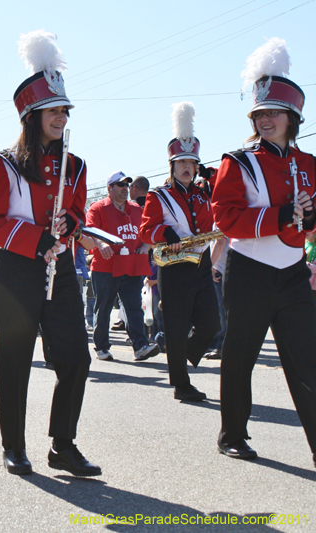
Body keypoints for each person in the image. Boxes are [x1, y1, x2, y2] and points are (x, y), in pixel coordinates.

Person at [0, 30, 100, 477]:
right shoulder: (5, 162)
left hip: (61, 269)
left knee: (76, 358)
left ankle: (62, 445)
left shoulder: (77, 164)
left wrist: (73, 226)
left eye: (65, 110)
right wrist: (35, 238)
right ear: (32, 113)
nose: (62, 117)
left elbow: (77, 212)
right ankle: (14, 445)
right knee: (14, 361)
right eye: (54, 110)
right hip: (17, 270)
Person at [211, 38, 316, 464]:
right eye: (259, 113)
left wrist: (307, 221)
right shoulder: (238, 161)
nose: (265, 119)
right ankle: (232, 433)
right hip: (250, 269)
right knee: (240, 357)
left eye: (273, 112)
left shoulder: (310, 163)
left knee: (307, 361)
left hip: (293, 272)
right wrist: (283, 215)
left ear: (292, 117)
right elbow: (226, 218)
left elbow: (311, 223)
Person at [139, 102, 220, 402]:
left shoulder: (203, 193)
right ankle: (181, 384)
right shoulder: (158, 195)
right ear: (172, 165)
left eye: (192, 163)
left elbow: (219, 215)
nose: (187, 167)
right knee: (175, 325)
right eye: (182, 162)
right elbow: (146, 229)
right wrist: (167, 234)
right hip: (173, 266)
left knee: (212, 322)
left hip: (201, 262)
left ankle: (184, 352)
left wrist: (213, 181)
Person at [87, 171, 159, 362]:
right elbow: (90, 230)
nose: (125, 189)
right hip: (105, 267)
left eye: (127, 185)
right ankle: (102, 347)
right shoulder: (98, 207)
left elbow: (149, 230)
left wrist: (146, 246)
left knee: (133, 307)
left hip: (132, 265)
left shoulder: (136, 208)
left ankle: (140, 345)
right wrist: (101, 244)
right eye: (120, 185)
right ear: (109, 188)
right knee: (103, 307)